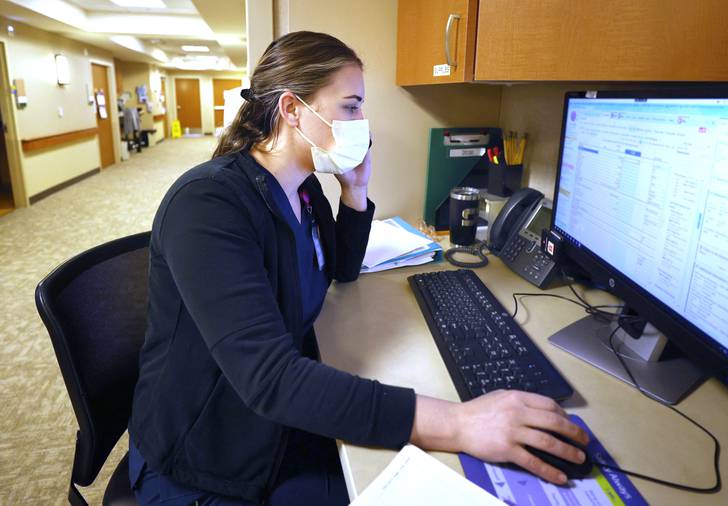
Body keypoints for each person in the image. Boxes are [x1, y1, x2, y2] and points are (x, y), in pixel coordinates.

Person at [127, 31, 589, 505]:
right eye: (350, 107)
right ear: (291, 109)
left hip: (268, 423)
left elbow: (340, 271)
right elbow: (269, 379)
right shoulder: (209, 204)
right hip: (203, 458)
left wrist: (355, 191)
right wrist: (457, 422)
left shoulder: (303, 189)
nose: (361, 124)